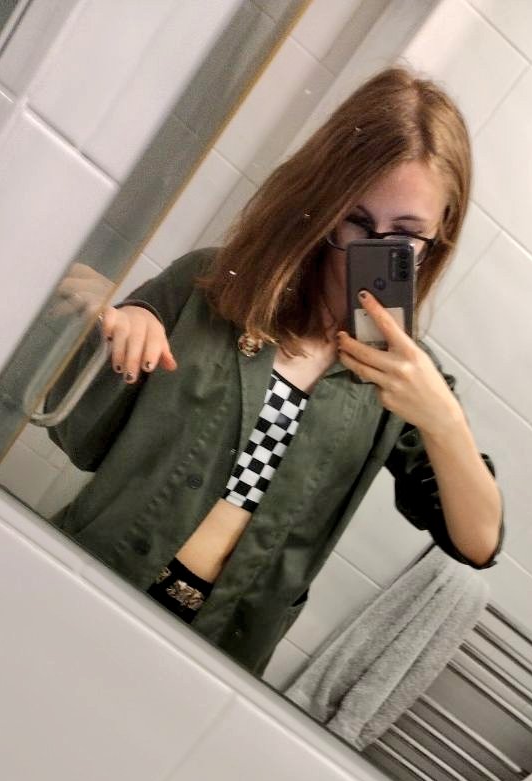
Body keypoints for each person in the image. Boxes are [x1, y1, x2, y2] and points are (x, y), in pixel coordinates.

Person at [46, 67, 504, 677]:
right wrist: (103, 328)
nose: (369, 251)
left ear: (439, 234)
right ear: (324, 203)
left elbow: (478, 541)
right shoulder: (209, 286)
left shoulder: (403, 382)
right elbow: (79, 439)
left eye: (405, 235)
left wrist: (443, 419)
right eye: (356, 221)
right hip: (88, 578)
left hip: (216, 655)